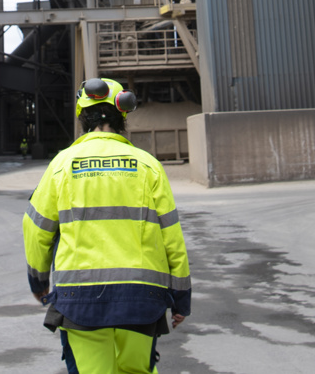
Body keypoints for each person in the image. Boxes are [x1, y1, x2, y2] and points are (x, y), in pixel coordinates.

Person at [22, 78, 191, 374]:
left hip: (79, 299)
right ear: (123, 115)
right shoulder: (148, 165)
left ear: (81, 116)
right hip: (142, 299)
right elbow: (171, 238)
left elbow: (36, 229)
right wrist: (180, 298)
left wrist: (38, 282)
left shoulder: (62, 165)